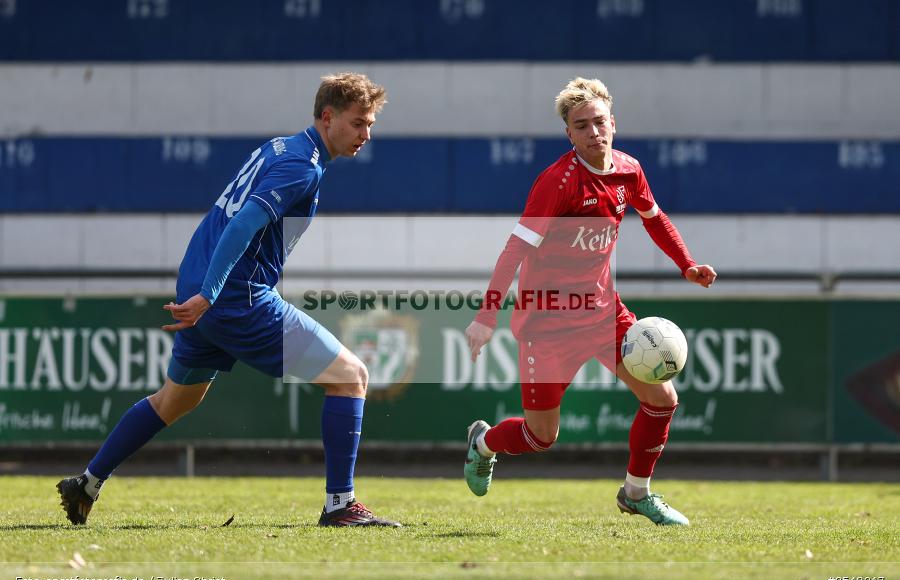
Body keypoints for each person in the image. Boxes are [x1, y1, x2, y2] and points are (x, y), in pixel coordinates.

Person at [57, 72, 400, 528]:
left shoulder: (279, 147)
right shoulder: (302, 166)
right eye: (359, 123)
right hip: (236, 299)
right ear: (327, 116)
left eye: (370, 124)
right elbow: (241, 226)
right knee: (351, 376)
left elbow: (225, 217)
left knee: (172, 402)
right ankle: (341, 504)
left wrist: (200, 291)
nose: (366, 134)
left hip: (202, 290)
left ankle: (87, 482)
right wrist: (211, 295)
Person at [463, 77, 717, 526]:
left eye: (600, 122)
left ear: (613, 124)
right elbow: (515, 249)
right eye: (582, 126)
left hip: (602, 313)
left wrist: (687, 264)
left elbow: (654, 218)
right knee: (541, 438)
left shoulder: (628, 170)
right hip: (546, 324)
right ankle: (483, 442)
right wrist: (486, 318)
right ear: (569, 134)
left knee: (662, 398)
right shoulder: (556, 183)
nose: (593, 132)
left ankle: (636, 493)